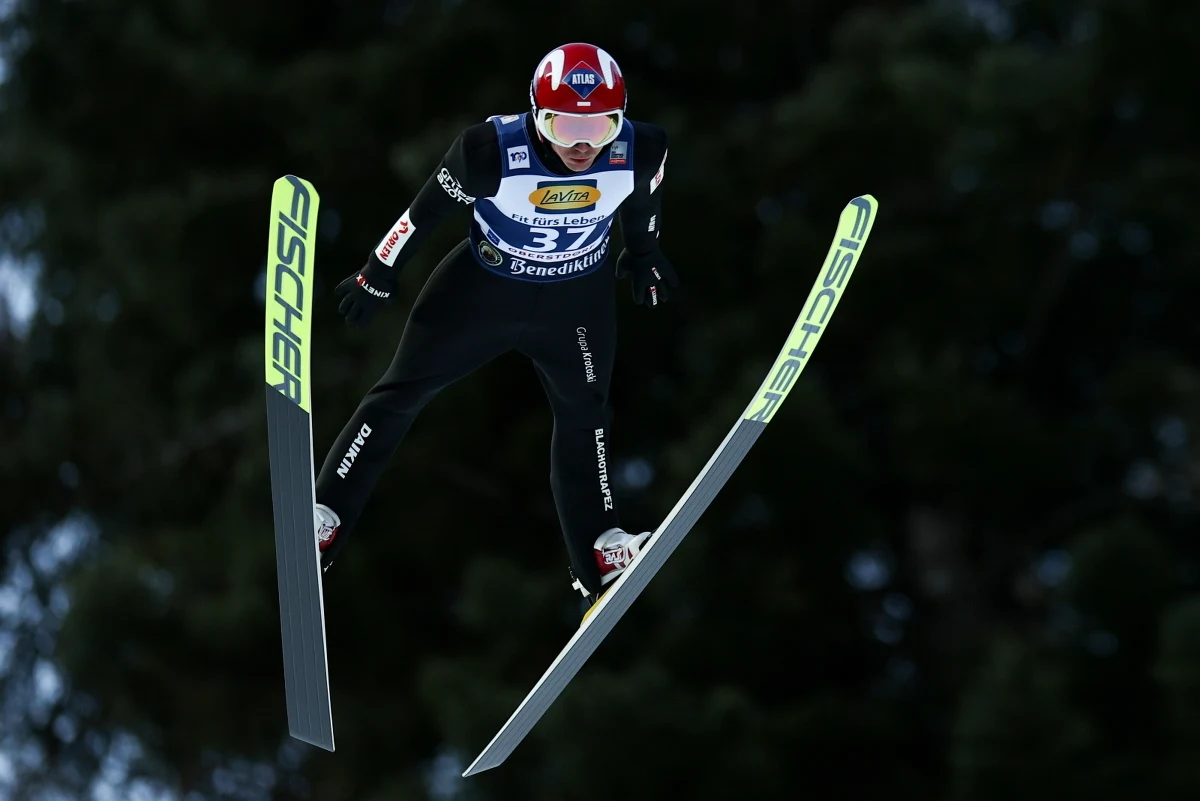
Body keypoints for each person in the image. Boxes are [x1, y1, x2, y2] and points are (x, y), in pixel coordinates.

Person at [312, 42, 677, 618]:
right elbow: (422, 213)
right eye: (563, 124)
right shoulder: (488, 152)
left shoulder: (641, 148)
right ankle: (324, 519)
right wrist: (377, 274)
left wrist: (643, 252)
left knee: (586, 416)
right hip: (483, 290)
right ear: (536, 114)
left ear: (621, 116)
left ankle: (601, 556)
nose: (583, 143)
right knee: (400, 392)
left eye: (601, 125)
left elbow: (641, 205)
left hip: (575, 301)